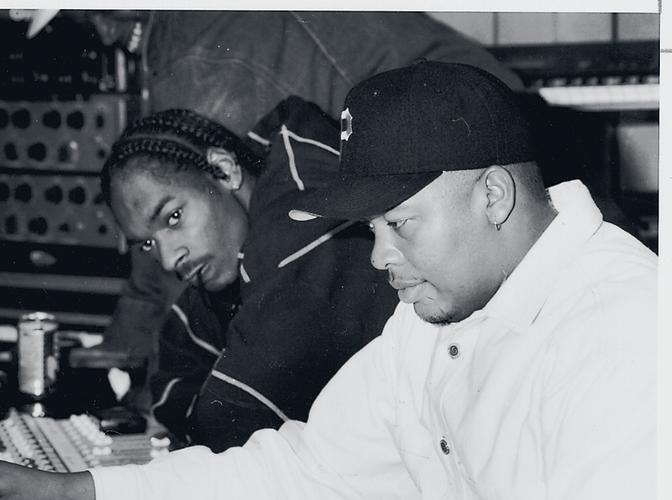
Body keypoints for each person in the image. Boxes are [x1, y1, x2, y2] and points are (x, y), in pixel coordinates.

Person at [0, 61, 656, 500]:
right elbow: (298, 474)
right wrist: (67, 494)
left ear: (493, 196)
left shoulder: (624, 330)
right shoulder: (433, 319)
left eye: (397, 224)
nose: (377, 258)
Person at [67, 10, 524, 370]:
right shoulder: (182, 33)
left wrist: (139, 342)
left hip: (485, 155)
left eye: (89, 17)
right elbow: (175, 208)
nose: (102, 33)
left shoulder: (199, 57)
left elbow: (191, 213)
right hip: (493, 129)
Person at [100, 99, 398, 452]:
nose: (168, 258)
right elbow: (179, 357)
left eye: (174, 217)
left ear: (224, 170)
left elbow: (231, 419)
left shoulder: (299, 232)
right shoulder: (237, 240)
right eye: (148, 242)